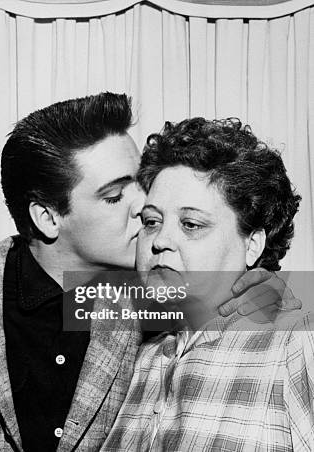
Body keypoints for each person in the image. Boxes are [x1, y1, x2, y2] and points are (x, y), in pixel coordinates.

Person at [0, 94, 290, 451]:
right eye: (115, 196)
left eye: (140, 186)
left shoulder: (161, 300)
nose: (143, 207)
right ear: (48, 217)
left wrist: (280, 294)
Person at [103, 117, 313, 450]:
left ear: (253, 244)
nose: (160, 241)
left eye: (191, 224)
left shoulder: (295, 344)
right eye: (151, 221)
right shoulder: (138, 357)